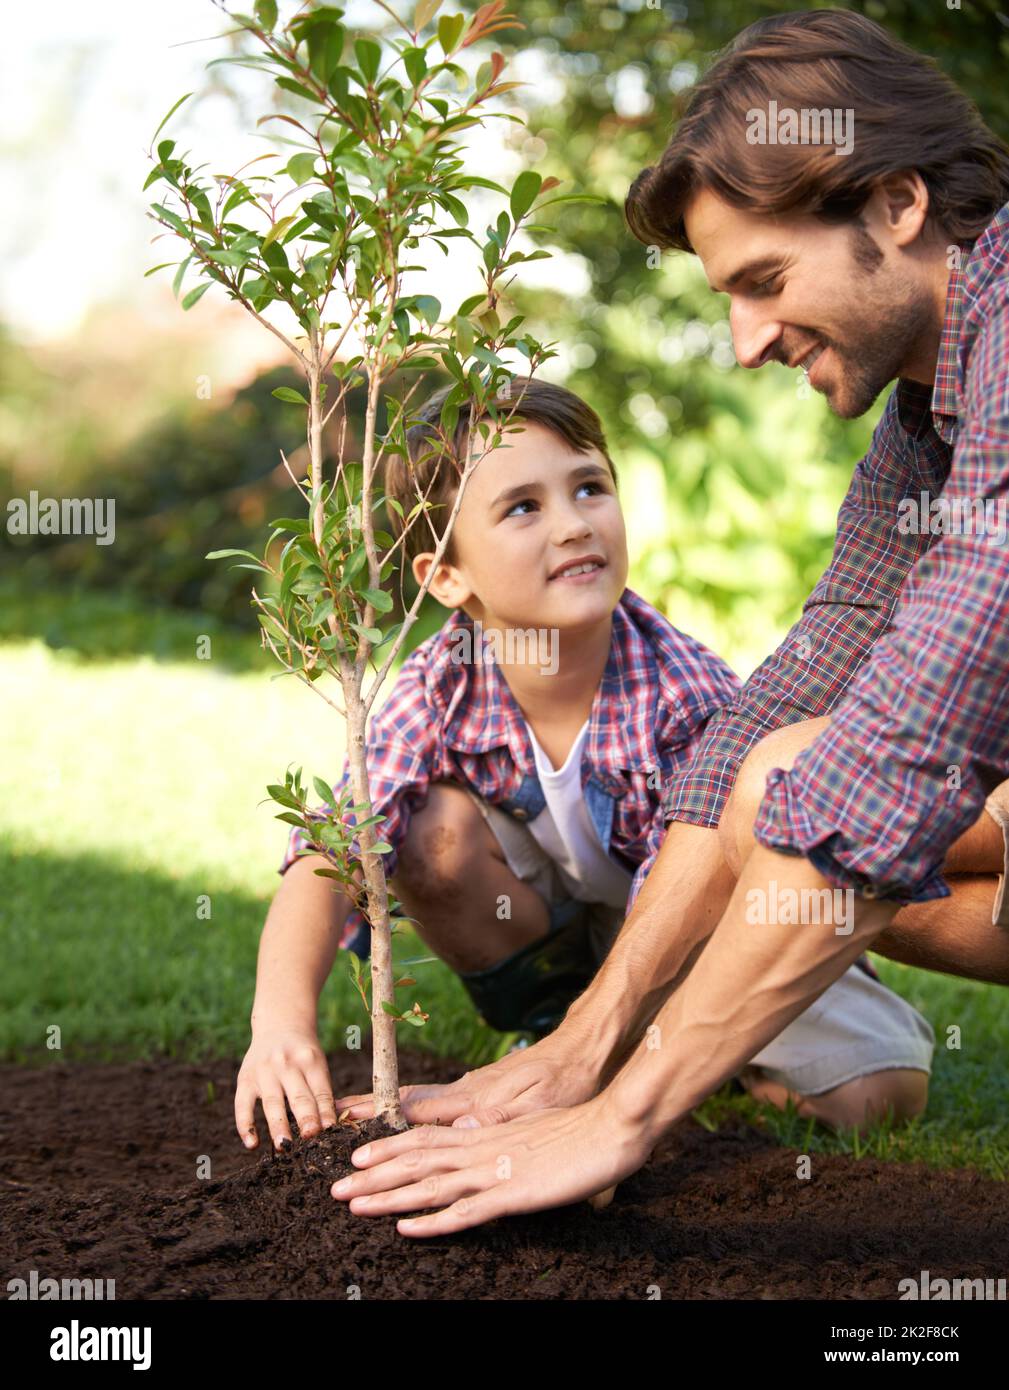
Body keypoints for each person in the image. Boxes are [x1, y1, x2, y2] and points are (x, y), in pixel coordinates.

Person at [327, 10, 1009, 1238]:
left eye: (763, 281)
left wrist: (622, 1117)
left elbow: (905, 747)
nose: (746, 342)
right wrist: (577, 1051)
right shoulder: (927, 417)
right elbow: (808, 670)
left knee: (820, 794)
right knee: (763, 779)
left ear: (898, 205)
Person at [234, 374, 933, 1156]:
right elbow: (334, 847)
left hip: (700, 935)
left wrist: (606, 1075)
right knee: (427, 830)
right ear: (444, 576)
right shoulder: (440, 681)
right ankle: (552, 1030)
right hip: (583, 938)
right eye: (523, 507)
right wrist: (280, 1025)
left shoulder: (678, 691)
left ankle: (645, 1058)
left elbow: (698, 901)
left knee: (881, 1095)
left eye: (590, 488)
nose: (573, 525)